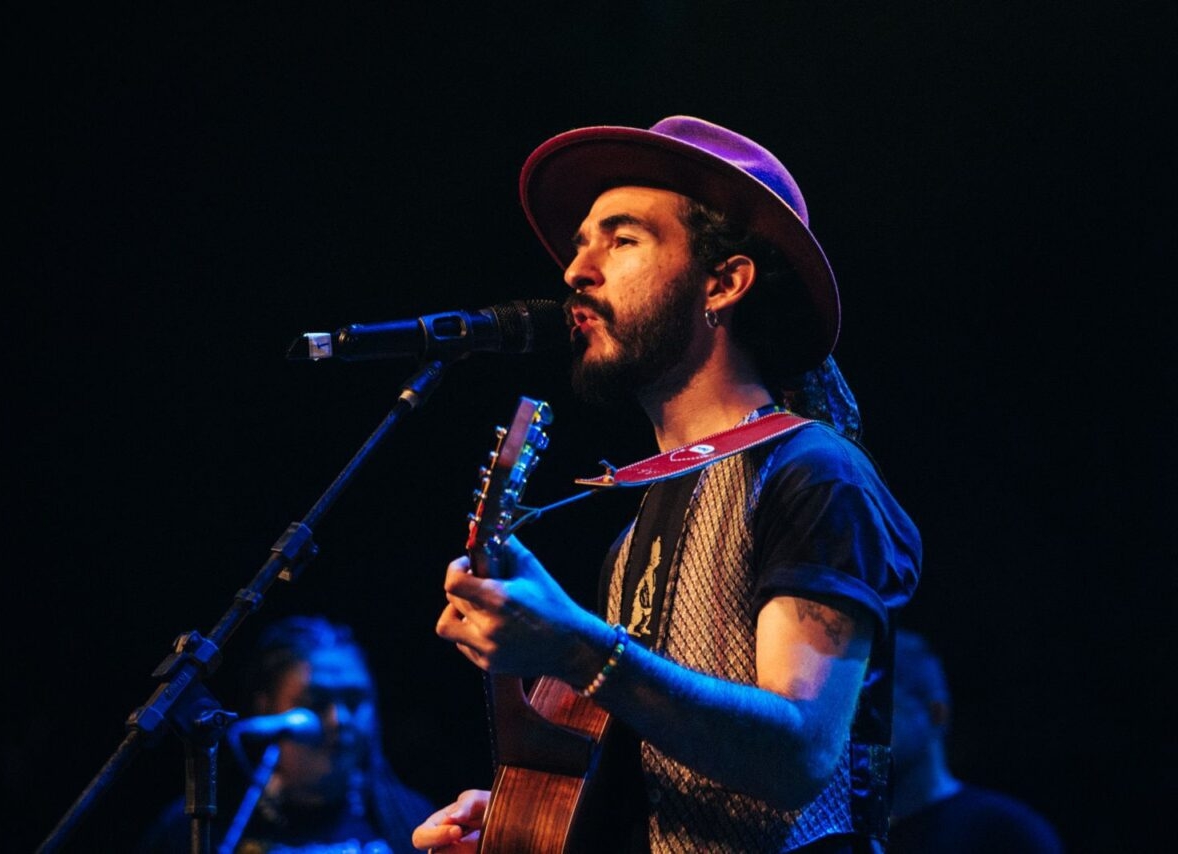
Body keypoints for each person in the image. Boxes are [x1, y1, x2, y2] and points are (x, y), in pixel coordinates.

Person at [411, 115, 923, 853]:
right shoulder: (636, 530)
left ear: (723, 282)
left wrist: (578, 647)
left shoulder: (814, 473)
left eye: (621, 241)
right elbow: (674, 773)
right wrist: (529, 821)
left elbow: (800, 754)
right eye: (582, 245)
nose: (575, 272)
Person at [139, 614, 434, 854]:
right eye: (316, 702)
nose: (339, 719)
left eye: (355, 701)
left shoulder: (413, 822)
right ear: (267, 709)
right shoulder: (199, 825)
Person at [888, 629, 1064, 853]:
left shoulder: (1007, 834)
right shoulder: (852, 837)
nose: (855, 730)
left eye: (882, 710)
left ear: (936, 714)